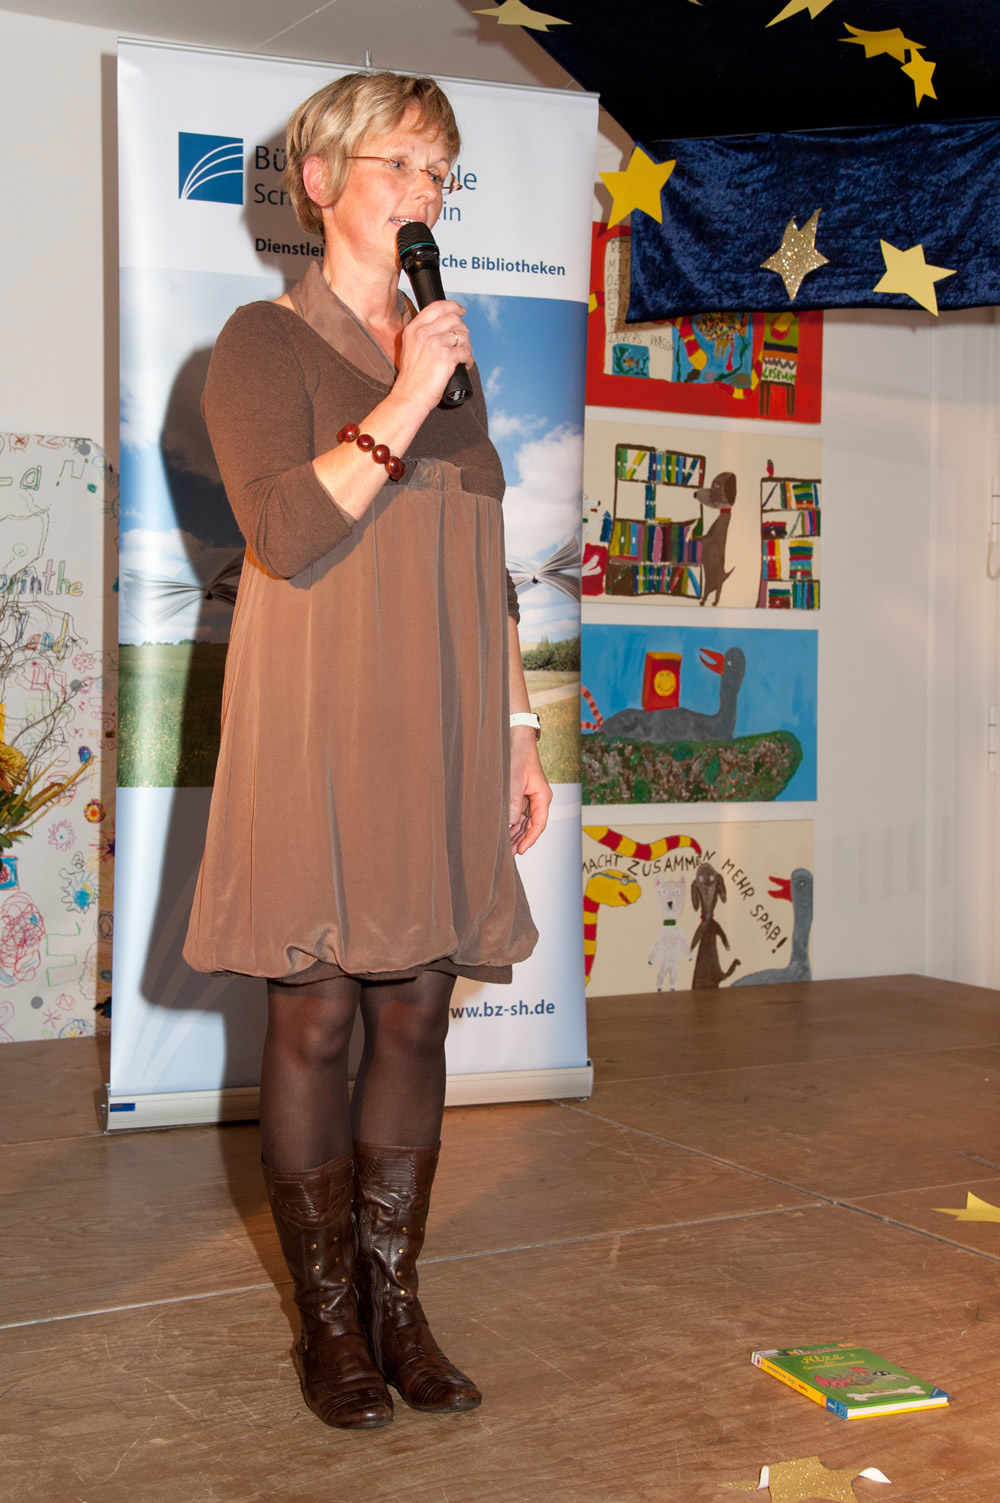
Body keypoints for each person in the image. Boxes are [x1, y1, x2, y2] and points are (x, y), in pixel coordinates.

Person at [183, 71, 551, 1431]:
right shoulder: (259, 344)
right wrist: (407, 393)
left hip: (445, 712)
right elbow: (287, 532)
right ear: (321, 181)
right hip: (320, 710)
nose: (423, 191)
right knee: (320, 1009)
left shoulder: (447, 352)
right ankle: (329, 1326)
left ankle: (401, 1304)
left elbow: (483, 558)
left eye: (439, 170)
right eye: (398, 162)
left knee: (416, 1007)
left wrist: (518, 728)